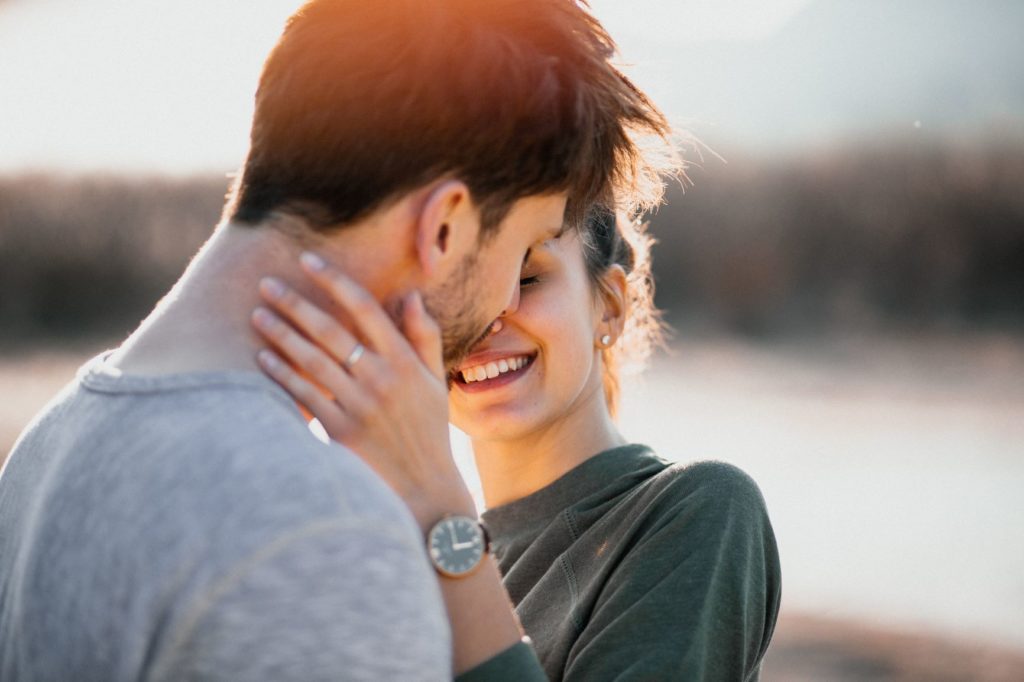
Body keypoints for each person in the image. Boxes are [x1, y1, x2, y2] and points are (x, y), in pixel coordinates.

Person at [0, 1, 676, 680]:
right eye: (523, 249)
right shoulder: (329, 536)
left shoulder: (48, 445)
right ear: (443, 227)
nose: (505, 303)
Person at [255, 205, 782, 680]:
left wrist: (439, 508)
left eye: (526, 277)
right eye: (445, 295)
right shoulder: (412, 567)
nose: (484, 319)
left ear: (610, 307)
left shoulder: (695, 508)